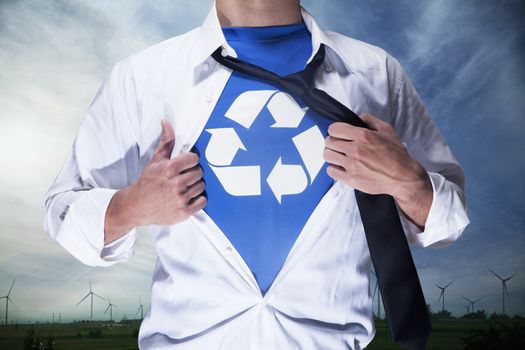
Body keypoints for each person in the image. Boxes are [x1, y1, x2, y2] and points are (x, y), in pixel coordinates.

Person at [42, 0, 470, 348]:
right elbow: (63, 211)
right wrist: (129, 207)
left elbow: (447, 222)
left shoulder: (375, 72)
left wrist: (405, 180)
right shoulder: (141, 77)